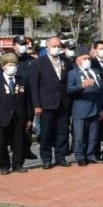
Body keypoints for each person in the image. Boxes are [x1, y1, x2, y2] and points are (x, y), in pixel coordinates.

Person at [30, 36, 73, 168]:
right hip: (46, 103)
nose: (56, 49)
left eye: (58, 46)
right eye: (54, 46)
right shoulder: (38, 63)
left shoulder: (66, 61)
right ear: (47, 47)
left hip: (63, 102)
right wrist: (37, 105)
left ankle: (61, 156)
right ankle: (46, 158)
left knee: (62, 132)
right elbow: (34, 85)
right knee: (46, 132)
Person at [67, 54, 103, 166]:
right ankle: (80, 156)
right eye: (85, 59)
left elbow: (102, 91)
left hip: (96, 108)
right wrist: (81, 85)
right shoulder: (73, 73)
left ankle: (91, 154)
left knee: (93, 135)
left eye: (89, 58)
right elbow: (69, 89)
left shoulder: (96, 71)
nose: (87, 61)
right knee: (79, 135)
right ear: (78, 60)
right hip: (81, 108)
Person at [0, 53, 31, 174]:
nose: (12, 67)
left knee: (18, 142)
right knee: (1, 143)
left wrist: (29, 118)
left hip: (19, 116)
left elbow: (28, 101)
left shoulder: (22, 80)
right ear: (3, 66)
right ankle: (4, 165)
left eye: (14, 65)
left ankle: (18, 164)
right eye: (9, 65)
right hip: (2, 116)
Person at [11, 36, 37, 161]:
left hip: (30, 96)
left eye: (24, 44)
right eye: (20, 44)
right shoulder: (10, 60)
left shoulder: (31, 60)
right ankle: (16, 150)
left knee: (28, 124)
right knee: (15, 126)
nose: (23, 46)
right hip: (15, 96)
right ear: (14, 46)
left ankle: (27, 149)